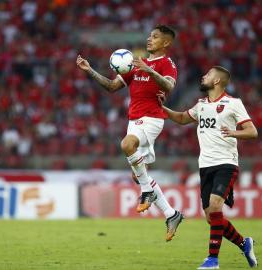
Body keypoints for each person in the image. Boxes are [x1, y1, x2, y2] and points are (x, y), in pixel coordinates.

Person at [76, 25, 183, 241]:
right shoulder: (134, 64)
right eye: (149, 35)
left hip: (152, 119)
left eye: (155, 37)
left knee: (126, 145)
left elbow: (169, 86)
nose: (149, 39)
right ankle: (172, 214)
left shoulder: (166, 64)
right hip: (133, 122)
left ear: (166, 43)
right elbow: (112, 86)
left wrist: (150, 70)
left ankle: (147, 192)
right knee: (138, 174)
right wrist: (90, 70)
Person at [158, 66, 258, 269]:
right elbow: (182, 118)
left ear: (217, 82)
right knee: (211, 218)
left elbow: (252, 131)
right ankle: (243, 243)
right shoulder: (201, 104)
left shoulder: (233, 103)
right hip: (205, 165)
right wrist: (162, 108)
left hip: (226, 162)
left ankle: (212, 260)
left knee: (215, 206)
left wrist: (233, 133)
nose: (203, 76)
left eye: (208, 75)